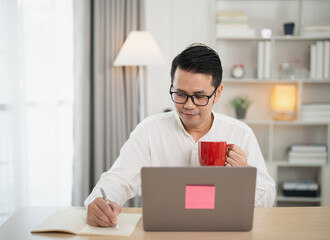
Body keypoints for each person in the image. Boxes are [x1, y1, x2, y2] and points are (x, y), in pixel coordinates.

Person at [85, 43, 276, 227]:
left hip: (223, 230)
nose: (188, 105)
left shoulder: (240, 133)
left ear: (218, 93)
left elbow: (268, 197)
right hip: (163, 230)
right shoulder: (149, 131)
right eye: (180, 94)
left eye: (200, 96)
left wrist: (243, 177)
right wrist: (99, 201)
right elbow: (118, 179)